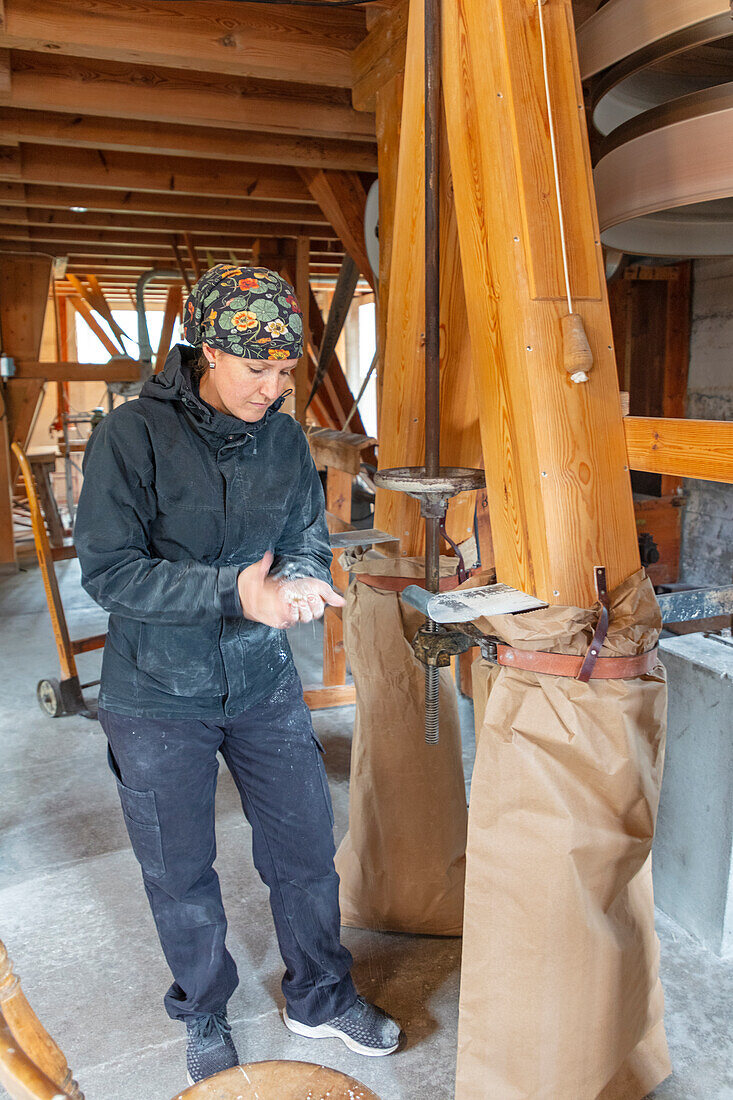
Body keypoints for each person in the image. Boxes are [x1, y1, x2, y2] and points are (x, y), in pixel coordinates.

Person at [74, 264, 402, 1086]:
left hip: (260, 685)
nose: (272, 388)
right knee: (179, 868)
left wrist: (299, 580)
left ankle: (320, 995)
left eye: (285, 371)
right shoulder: (131, 437)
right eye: (256, 369)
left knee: (303, 850)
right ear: (206, 350)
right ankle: (203, 1003)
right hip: (156, 695)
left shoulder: (286, 440)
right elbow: (109, 573)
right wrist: (232, 592)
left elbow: (303, 533)